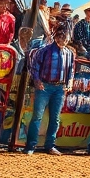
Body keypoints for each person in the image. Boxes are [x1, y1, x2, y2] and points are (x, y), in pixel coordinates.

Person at [24, 26, 76, 155]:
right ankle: (30, 146)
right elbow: (34, 66)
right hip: (45, 86)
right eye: (60, 37)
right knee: (37, 116)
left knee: (55, 118)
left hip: (59, 87)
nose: (63, 40)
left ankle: (50, 145)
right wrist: (37, 80)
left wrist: (69, 83)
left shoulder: (69, 53)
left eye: (65, 38)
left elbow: (71, 70)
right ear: (56, 37)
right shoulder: (45, 50)